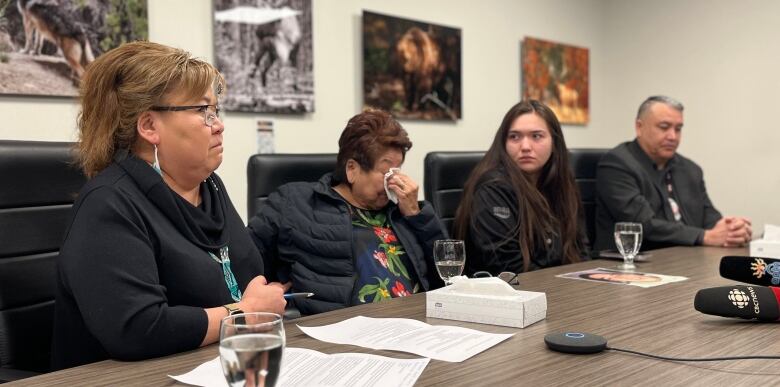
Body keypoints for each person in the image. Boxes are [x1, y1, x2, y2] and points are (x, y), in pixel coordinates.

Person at [51, 41, 286, 370]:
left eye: (216, 110)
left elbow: (247, 278)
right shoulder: (108, 203)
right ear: (149, 127)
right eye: (203, 111)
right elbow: (137, 329)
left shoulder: (209, 187)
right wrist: (244, 314)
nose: (218, 124)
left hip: (213, 366)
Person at [248, 109, 446, 316]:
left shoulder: (405, 211)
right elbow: (244, 259)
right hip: (346, 331)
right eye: (385, 172)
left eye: (397, 171)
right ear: (352, 169)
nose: (393, 182)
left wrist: (416, 214)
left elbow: (449, 275)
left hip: (420, 324)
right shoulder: (295, 203)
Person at [594, 96, 751, 252]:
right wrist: (704, 237)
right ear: (639, 127)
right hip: (632, 264)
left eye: (678, 129)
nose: (673, 136)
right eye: (664, 127)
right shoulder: (616, 165)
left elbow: (709, 218)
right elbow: (643, 225)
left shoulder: (690, 169)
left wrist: (732, 230)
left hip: (687, 260)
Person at [453, 100, 588, 276]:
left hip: (555, 290)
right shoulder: (493, 188)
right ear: (503, 143)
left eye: (536, 136)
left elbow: (581, 250)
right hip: (504, 295)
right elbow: (508, 269)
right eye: (515, 137)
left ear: (554, 142)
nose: (525, 147)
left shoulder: (562, 183)